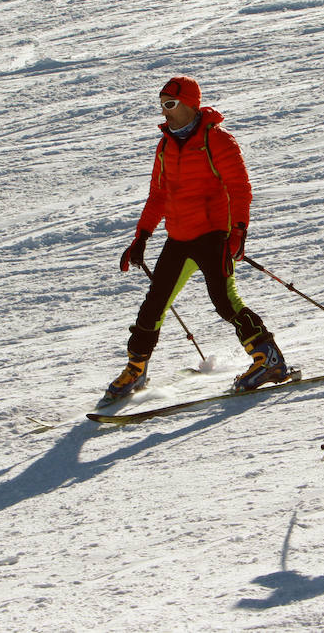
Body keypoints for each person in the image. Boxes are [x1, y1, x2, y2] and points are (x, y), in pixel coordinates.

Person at [105, 75, 292, 402]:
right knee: (153, 306)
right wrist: (142, 237)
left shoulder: (218, 141)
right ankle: (136, 368)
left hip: (213, 236)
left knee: (225, 301)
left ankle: (269, 358)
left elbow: (239, 190)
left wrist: (237, 234)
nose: (164, 111)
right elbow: (158, 195)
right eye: (162, 104)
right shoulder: (165, 145)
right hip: (179, 238)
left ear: (190, 103)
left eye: (170, 104)